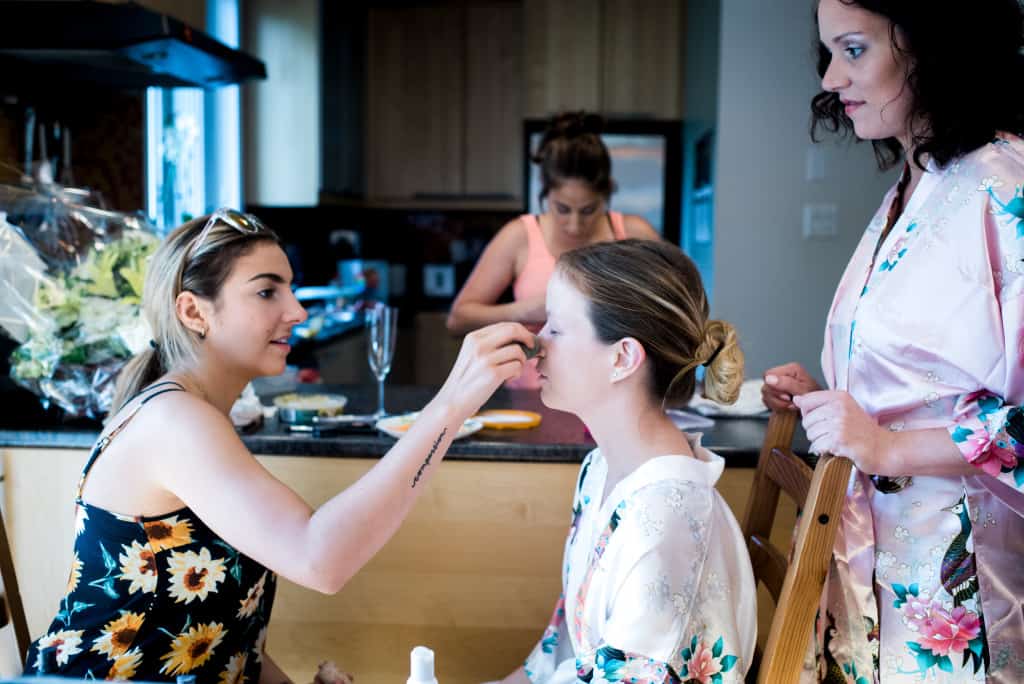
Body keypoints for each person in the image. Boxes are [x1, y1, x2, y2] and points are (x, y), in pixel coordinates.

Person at [24, 209, 535, 682]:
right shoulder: (175, 422)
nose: (295, 310)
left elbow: (220, 627)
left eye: (289, 288)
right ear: (193, 311)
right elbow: (320, 558)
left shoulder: (199, 415)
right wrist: (449, 406)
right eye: (268, 292)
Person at [762, 1, 1024, 681]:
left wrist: (888, 446)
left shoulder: (1006, 187)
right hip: (870, 574)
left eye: (853, 50)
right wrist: (829, 401)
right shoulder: (915, 186)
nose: (830, 78)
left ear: (933, 50)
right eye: (827, 54)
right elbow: (924, 383)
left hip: (959, 584)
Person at [491, 240, 756, 684]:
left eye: (556, 329)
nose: (537, 344)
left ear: (623, 358)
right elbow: (565, 649)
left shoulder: (665, 516)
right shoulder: (600, 468)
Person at [446, 111, 660, 388]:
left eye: (588, 210)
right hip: (531, 399)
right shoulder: (518, 236)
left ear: (606, 194)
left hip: (614, 400)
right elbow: (458, 320)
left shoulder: (634, 234)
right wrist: (525, 311)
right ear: (544, 194)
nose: (574, 225)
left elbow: (672, 309)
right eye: (562, 209)